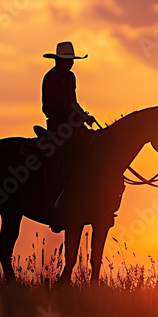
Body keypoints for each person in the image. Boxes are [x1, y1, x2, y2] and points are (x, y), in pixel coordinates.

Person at [41, 42, 96, 230]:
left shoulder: (71, 77)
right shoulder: (51, 78)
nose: (70, 64)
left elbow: (73, 103)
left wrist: (84, 117)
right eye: (67, 60)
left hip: (71, 123)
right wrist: (80, 117)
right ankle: (54, 195)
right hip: (57, 123)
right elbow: (60, 105)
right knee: (68, 152)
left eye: (71, 60)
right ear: (58, 61)